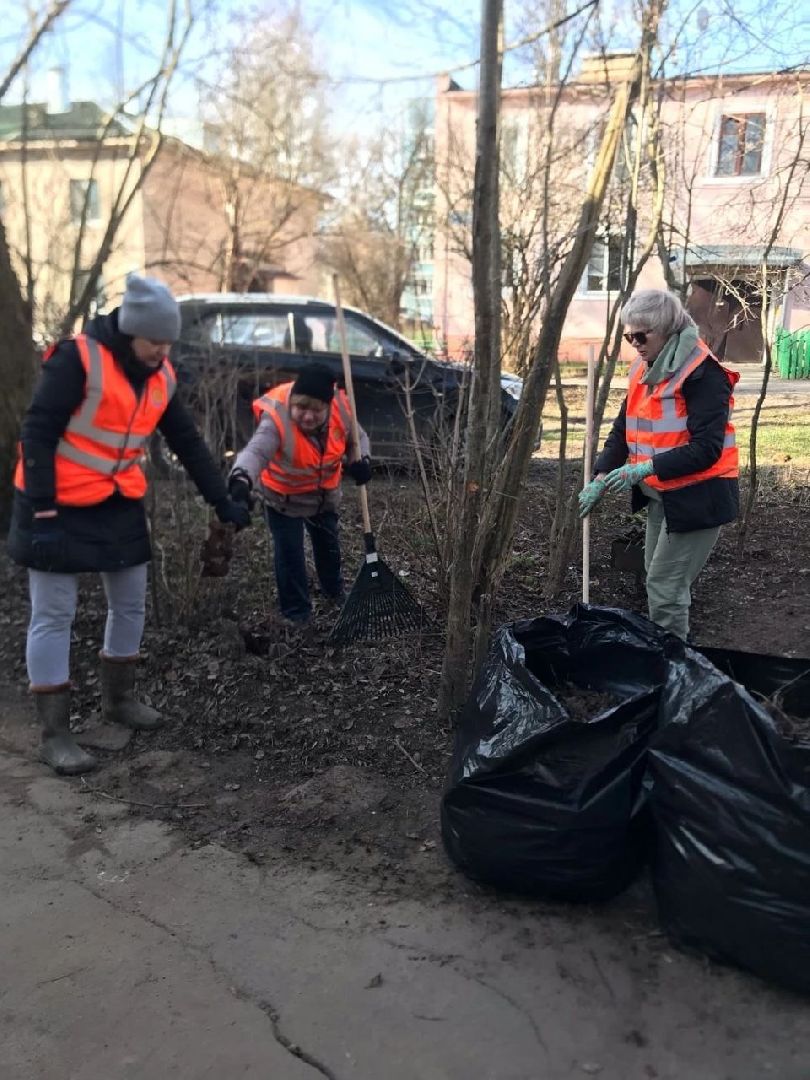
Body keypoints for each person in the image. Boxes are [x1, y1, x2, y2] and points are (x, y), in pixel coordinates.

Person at [8, 274, 251, 776]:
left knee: (130, 602)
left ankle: (119, 701)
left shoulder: (161, 376)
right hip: (54, 500)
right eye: (154, 341)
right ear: (128, 329)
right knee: (54, 614)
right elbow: (36, 433)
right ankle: (55, 735)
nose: (162, 351)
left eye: (169, 342)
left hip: (116, 499)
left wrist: (222, 500)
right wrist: (44, 513)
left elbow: (187, 442)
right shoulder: (79, 358)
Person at [578, 288, 739, 641]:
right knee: (657, 575)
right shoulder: (644, 367)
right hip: (662, 495)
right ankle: (667, 658)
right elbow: (624, 428)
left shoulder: (702, 373)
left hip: (700, 496)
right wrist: (600, 477)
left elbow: (707, 449)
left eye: (641, 334)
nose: (633, 342)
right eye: (628, 335)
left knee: (665, 586)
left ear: (667, 328)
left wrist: (643, 469)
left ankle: (673, 674)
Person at [228, 362, 371, 625]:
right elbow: (256, 452)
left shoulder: (341, 408)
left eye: (315, 410)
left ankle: (334, 591)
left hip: (323, 498)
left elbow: (358, 439)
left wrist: (361, 461)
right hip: (283, 500)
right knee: (290, 556)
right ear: (292, 400)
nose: (307, 416)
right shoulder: (277, 419)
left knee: (329, 549)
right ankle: (296, 613)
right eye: (301, 407)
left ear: (327, 408)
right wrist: (241, 479)